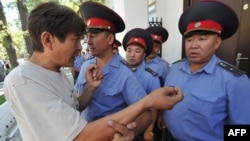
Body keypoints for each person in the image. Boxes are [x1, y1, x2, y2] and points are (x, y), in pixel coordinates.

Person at [3, 2, 184, 141]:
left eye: (91, 36)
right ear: (48, 40)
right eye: (76, 39)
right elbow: (80, 136)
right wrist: (148, 101)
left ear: (110, 38)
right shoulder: (24, 81)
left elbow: (73, 108)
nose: (82, 46)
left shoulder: (58, 72)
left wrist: (89, 89)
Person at [162, 1, 250, 141]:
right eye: (189, 40)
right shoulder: (174, 69)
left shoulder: (235, 80)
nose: (193, 45)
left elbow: (242, 130)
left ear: (217, 42)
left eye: (202, 39)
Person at [76, 0, 154, 135]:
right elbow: (76, 104)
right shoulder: (85, 66)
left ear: (110, 39)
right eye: (87, 36)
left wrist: (129, 133)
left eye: (93, 36)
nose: (88, 41)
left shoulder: (124, 74)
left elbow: (146, 114)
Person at [122, 28, 161, 141]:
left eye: (137, 51)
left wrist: (149, 130)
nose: (132, 55)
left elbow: (154, 105)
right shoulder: (121, 73)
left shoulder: (151, 76)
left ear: (144, 54)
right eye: (129, 50)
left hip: (141, 125)